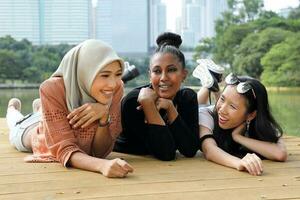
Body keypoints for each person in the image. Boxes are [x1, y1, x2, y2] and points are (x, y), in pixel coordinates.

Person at [6, 39, 133, 178]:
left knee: (44, 114)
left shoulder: (116, 88)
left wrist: (104, 116)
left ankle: (40, 108)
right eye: (105, 75)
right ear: (85, 71)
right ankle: (12, 107)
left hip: (54, 115)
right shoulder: (52, 88)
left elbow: (100, 152)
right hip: (33, 133)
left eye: (118, 74)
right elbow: (65, 149)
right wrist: (101, 165)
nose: (113, 84)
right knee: (16, 124)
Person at [114, 32, 199, 161]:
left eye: (171, 70)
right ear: (150, 75)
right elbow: (166, 153)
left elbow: (190, 149)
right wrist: (148, 105)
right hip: (128, 162)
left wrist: (171, 109)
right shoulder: (134, 101)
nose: (164, 78)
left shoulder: (187, 98)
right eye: (157, 71)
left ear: (184, 74)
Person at [194, 62, 287, 176]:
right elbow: (209, 150)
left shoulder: (260, 121)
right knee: (196, 106)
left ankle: (215, 87)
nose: (222, 109)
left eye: (233, 106)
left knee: (220, 107)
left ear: (251, 115)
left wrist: (238, 137)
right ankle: (210, 85)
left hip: (218, 111)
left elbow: (280, 153)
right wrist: (239, 163)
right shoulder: (206, 115)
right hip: (201, 111)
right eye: (222, 99)